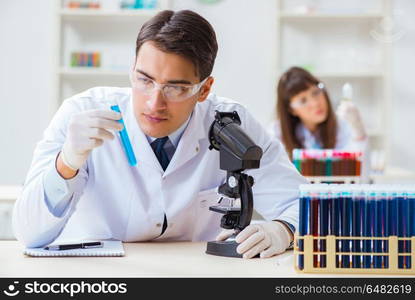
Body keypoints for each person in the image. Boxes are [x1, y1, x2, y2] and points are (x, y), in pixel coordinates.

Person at [13, 10, 307, 259]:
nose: (155, 102)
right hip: (100, 278)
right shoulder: (80, 113)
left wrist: (285, 230)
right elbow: (29, 233)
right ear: (132, 71)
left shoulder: (232, 124)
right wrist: (66, 164)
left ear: (204, 89)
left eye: (176, 87)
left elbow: (304, 205)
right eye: (145, 80)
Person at [269, 66, 368, 159]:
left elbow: (361, 172)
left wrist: (358, 132)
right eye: (303, 100)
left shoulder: (342, 126)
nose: (315, 103)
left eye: (315, 93)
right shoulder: (277, 133)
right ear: (291, 110)